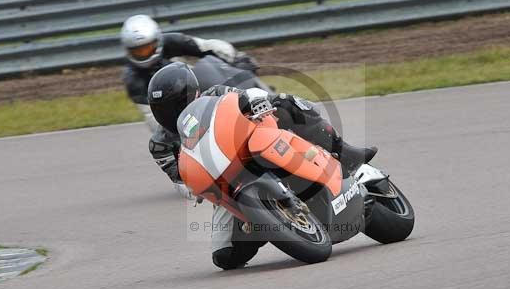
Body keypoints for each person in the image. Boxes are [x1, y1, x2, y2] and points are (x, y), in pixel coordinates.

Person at [146, 62, 377, 270]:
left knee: (286, 104)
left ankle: (345, 153)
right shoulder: (160, 145)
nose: (171, 113)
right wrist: (193, 187)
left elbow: (245, 97)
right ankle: (269, 222)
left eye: (177, 103)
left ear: (192, 93)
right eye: (163, 109)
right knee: (225, 257)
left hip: (255, 147)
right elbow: (179, 178)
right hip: (224, 183)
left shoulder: (215, 95)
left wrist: (256, 101)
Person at [120, 14, 258, 197]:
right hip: (170, 109)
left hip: (193, 84)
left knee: (232, 79)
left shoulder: (171, 41)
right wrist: (179, 130)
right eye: (138, 51)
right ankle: (195, 166)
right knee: (174, 135)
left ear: (157, 41)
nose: (144, 54)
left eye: (148, 48)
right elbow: (153, 117)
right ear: (129, 52)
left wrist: (236, 58)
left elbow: (208, 46)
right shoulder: (134, 80)